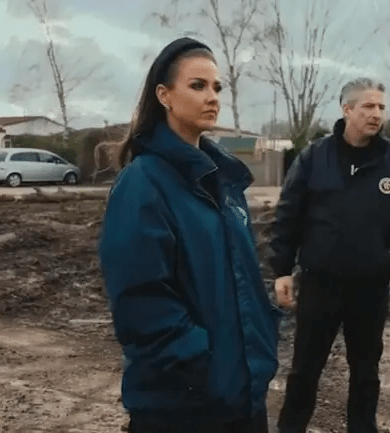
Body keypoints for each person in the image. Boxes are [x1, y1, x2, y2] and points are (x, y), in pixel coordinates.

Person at [98, 37, 280, 433]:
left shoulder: (226, 183)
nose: (212, 96)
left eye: (217, 87)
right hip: (184, 408)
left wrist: (259, 344)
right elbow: (141, 303)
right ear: (164, 95)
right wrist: (202, 366)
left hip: (242, 395)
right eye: (197, 86)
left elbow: (239, 280)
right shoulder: (143, 184)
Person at [269, 78, 390, 433]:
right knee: (304, 370)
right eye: (368, 106)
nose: (376, 114)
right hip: (319, 284)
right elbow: (289, 214)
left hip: (370, 287)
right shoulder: (315, 157)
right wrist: (282, 268)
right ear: (347, 109)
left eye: (381, 107)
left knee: (365, 371)